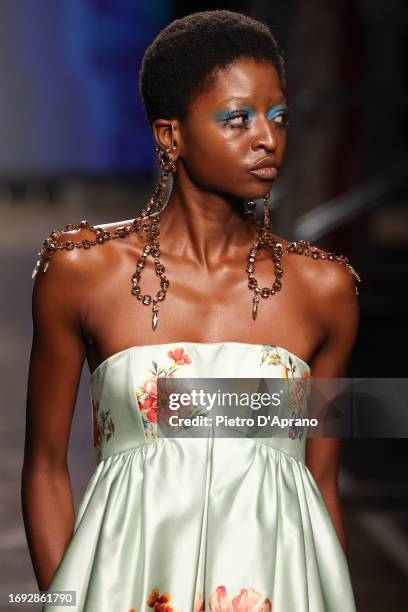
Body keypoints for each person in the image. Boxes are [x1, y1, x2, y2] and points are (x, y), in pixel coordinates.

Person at [22, 10, 361, 612]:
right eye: (238, 119)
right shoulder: (80, 272)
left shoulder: (325, 291)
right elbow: (46, 468)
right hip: (127, 586)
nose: (267, 138)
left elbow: (318, 483)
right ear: (169, 136)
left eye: (278, 117)